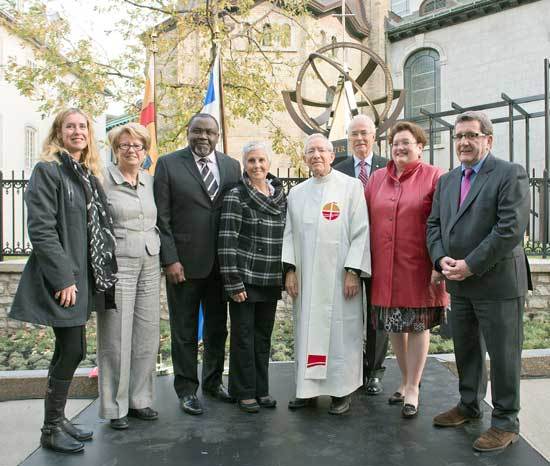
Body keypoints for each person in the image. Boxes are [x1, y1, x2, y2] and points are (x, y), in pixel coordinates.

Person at [9, 108, 117, 453]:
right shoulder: (49, 170)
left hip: (83, 278)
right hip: (65, 279)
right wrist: (63, 279)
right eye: (70, 126)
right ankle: (50, 427)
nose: (77, 131)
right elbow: (41, 229)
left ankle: (58, 421)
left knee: (72, 349)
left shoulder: (83, 174)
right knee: (72, 349)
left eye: (82, 126)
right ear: (58, 132)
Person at [427, 111, 530, 452]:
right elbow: (434, 226)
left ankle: (505, 422)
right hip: (459, 281)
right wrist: (440, 259)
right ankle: (469, 405)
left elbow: (509, 229)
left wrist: (470, 264)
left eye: (471, 135)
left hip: (497, 282)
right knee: (467, 349)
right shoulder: (447, 181)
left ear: (488, 139)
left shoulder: (508, 174)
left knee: (503, 355)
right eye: (458, 136)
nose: (464, 142)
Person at [154, 113, 241, 415]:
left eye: (209, 132)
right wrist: (170, 258)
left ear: (217, 136)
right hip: (184, 266)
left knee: (218, 329)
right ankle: (187, 390)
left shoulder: (232, 166)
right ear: (188, 132)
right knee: (184, 330)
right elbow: (161, 217)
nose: (203, 137)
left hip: (222, 266)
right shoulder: (168, 164)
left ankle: (214, 383)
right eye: (197, 131)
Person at [283, 133, 370, 415]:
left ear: (333, 156)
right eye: (311, 151)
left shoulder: (351, 187)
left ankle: (340, 392)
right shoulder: (296, 194)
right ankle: (307, 391)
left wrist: (353, 272)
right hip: (307, 279)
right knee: (308, 333)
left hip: (339, 280)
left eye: (322, 150)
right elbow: (289, 234)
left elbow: (361, 232)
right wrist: (290, 271)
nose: (317, 155)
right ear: (304, 158)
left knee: (341, 335)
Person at [366, 121, 448, 419]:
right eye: (395, 143)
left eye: (406, 142)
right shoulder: (376, 178)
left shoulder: (435, 177)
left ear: (420, 147)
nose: (400, 148)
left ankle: (413, 387)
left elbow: (443, 222)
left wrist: (440, 261)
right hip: (384, 267)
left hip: (419, 266)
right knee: (394, 327)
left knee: (416, 325)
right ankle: (403, 379)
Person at [97, 123, 161, 429]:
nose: (132, 151)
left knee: (147, 334)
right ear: (115, 149)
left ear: (145, 150)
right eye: (125, 146)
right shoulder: (102, 181)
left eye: (137, 146)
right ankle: (114, 407)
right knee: (115, 336)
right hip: (118, 264)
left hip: (150, 260)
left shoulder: (149, 181)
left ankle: (140, 400)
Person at [218, 142, 286, 413]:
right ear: (244, 165)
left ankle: (262, 389)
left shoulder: (280, 196)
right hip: (244, 278)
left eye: (261, 160)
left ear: (268, 164)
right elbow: (226, 240)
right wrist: (233, 282)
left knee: (262, 337)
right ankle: (243, 391)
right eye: (251, 161)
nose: (257, 166)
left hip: (270, 276)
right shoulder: (236, 195)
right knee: (243, 336)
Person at [334, 114, 389, 396]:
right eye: (354, 134)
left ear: (374, 136)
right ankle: (350, 369)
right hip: (348, 254)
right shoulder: (338, 169)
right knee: (349, 313)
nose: (359, 139)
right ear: (348, 138)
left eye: (364, 133)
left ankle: (375, 372)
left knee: (377, 314)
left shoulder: (388, 168)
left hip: (381, 252)